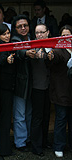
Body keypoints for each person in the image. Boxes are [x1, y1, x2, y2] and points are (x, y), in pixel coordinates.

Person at [46, 25, 72, 158]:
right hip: (61, 92)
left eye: (68, 35)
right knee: (61, 120)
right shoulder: (58, 50)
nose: (66, 38)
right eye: (63, 36)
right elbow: (53, 57)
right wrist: (50, 55)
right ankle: (59, 146)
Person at [11, 15, 34, 152]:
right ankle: (20, 142)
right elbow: (19, 51)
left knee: (30, 113)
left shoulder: (32, 38)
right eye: (20, 26)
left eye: (25, 25)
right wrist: (26, 53)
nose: (23, 28)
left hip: (33, 83)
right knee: (20, 115)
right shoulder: (15, 39)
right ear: (15, 28)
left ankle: (28, 138)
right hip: (20, 84)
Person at [0, 23, 16, 157]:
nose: (7, 36)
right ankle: (2, 149)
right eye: (4, 34)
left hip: (8, 87)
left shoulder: (10, 45)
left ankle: (3, 147)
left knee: (6, 119)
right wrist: (6, 60)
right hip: (2, 88)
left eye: (8, 33)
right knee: (3, 119)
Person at [30, 23, 51, 157]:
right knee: (37, 117)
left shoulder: (52, 46)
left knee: (46, 115)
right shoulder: (32, 47)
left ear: (48, 33)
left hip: (50, 86)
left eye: (42, 32)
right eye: (37, 33)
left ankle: (44, 141)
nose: (39, 35)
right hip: (37, 86)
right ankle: (36, 146)